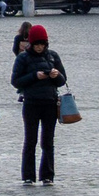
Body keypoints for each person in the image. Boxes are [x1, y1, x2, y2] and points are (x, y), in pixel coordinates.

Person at [10, 22, 68, 183]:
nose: (39, 47)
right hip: (31, 104)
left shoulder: (53, 56)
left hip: (50, 103)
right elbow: (16, 81)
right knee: (30, 140)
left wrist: (56, 75)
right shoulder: (23, 58)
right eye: (37, 45)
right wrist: (35, 76)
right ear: (32, 44)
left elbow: (63, 81)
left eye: (42, 44)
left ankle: (48, 175)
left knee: (48, 141)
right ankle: (28, 176)